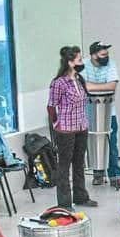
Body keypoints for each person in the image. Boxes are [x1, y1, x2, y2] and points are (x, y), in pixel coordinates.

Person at [48, 46, 96, 208]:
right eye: (79, 60)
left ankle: (81, 196)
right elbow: (51, 106)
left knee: (79, 163)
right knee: (64, 165)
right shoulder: (58, 83)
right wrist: (57, 124)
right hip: (65, 130)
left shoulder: (79, 79)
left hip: (81, 127)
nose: (82, 62)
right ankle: (64, 202)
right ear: (70, 62)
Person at [81, 41, 120, 189]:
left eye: (107, 53)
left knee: (110, 143)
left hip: (107, 112)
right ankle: (98, 175)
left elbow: (112, 86)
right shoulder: (83, 64)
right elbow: (81, 87)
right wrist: (95, 87)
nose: (106, 56)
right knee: (91, 142)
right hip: (87, 113)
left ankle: (115, 176)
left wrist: (91, 86)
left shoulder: (110, 64)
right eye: (102, 54)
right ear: (93, 55)